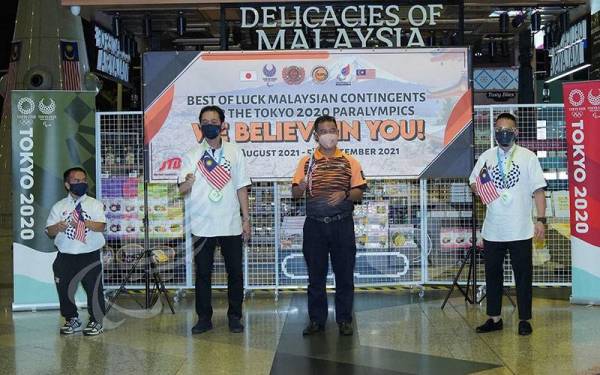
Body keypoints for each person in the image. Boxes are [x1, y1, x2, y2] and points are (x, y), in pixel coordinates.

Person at [469, 112, 547, 336]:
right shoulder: (486, 157)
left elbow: (539, 191)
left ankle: (524, 319)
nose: (503, 134)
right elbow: (473, 181)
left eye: (507, 130)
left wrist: (541, 220)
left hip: (521, 229)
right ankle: (494, 318)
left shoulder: (527, 157)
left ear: (516, 132)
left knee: (523, 275)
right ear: (494, 132)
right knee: (493, 275)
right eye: (499, 130)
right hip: (493, 229)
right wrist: (481, 189)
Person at [292, 115, 367, 336]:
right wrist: (301, 186)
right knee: (316, 276)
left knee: (344, 275)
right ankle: (317, 320)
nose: (328, 135)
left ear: (338, 133)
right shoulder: (306, 162)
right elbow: (295, 193)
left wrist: (345, 194)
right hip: (314, 227)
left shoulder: (349, 161)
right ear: (316, 136)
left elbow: (359, 191)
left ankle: (344, 319)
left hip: (341, 225)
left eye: (332, 130)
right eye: (323, 131)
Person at [178, 105, 251, 334]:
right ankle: (203, 318)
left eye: (214, 120)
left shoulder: (234, 152)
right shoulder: (192, 155)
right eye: (205, 121)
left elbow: (241, 187)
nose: (210, 124)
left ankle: (235, 316)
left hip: (230, 222)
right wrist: (187, 183)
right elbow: (182, 188)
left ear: (222, 124)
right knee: (202, 274)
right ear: (200, 126)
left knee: (235, 273)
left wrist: (246, 219)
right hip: (202, 224)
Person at [46, 167, 107, 336]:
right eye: (76, 181)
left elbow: (101, 226)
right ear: (67, 185)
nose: (81, 184)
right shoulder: (59, 207)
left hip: (89, 254)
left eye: (84, 180)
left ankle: (96, 320)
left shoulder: (94, 204)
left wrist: (84, 222)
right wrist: (58, 226)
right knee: (64, 289)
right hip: (65, 255)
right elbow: (49, 231)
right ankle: (71, 318)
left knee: (93, 289)